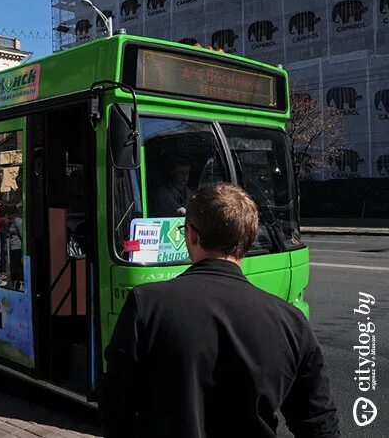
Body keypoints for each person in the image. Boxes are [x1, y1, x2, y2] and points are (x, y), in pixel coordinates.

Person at [100, 183, 340, 437]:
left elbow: (117, 408)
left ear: (191, 235)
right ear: (249, 238)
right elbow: (318, 422)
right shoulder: (291, 322)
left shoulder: (146, 304)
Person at [0, 206, 23, 290]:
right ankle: (15, 284)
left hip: (17, 247)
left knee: (17, 267)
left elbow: (22, 234)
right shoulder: (12, 222)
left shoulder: (18, 221)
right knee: (13, 268)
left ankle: (18, 284)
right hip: (12, 248)